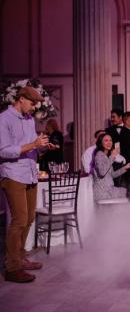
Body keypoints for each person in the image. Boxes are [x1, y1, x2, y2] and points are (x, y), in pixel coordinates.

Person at [0, 86, 57, 283]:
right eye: (32, 103)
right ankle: (11, 267)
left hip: (30, 173)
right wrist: (33, 145)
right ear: (21, 99)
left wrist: (42, 148)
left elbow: (32, 147)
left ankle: (20, 257)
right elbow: (4, 151)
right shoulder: (4, 119)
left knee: (29, 218)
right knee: (19, 220)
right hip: (13, 174)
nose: (34, 108)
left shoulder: (29, 120)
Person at [92, 133, 130, 201]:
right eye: (106, 140)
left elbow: (112, 175)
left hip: (108, 189)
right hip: (103, 191)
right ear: (100, 143)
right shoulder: (99, 155)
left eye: (110, 140)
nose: (109, 142)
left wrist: (125, 168)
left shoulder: (105, 156)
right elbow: (102, 172)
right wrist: (112, 157)